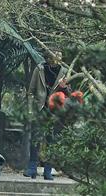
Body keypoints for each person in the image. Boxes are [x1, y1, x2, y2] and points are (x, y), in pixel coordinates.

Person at [24, 51, 69, 181]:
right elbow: (31, 92)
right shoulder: (40, 69)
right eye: (54, 53)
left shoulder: (64, 72)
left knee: (51, 140)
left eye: (60, 54)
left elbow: (69, 93)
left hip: (55, 110)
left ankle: (47, 171)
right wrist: (31, 111)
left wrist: (63, 87)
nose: (57, 56)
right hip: (40, 109)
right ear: (49, 55)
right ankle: (32, 168)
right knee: (35, 138)